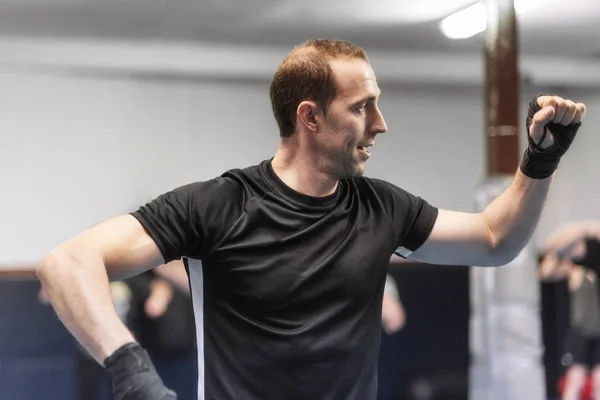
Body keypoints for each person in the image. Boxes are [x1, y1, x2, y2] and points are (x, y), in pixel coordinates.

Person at [34, 39, 586, 400]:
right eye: (363, 106)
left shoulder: (382, 208)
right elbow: (67, 264)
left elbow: (495, 238)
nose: (381, 124)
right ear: (311, 117)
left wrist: (539, 161)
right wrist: (132, 374)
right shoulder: (219, 205)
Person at [540, 223, 600, 399]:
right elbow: (546, 272)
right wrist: (582, 230)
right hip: (580, 333)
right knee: (575, 378)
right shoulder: (574, 270)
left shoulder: (594, 268)